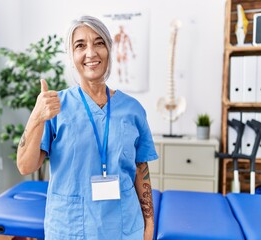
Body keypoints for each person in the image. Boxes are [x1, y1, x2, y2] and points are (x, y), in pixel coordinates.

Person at [16, 15, 158, 240]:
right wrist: (36, 117)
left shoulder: (133, 110)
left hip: (124, 227)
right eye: (80, 45)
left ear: (109, 50)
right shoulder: (55, 107)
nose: (91, 52)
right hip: (69, 229)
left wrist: (149, 222)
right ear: (72, 57)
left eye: (99, 43)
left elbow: (141, 167)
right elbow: (25, 166)